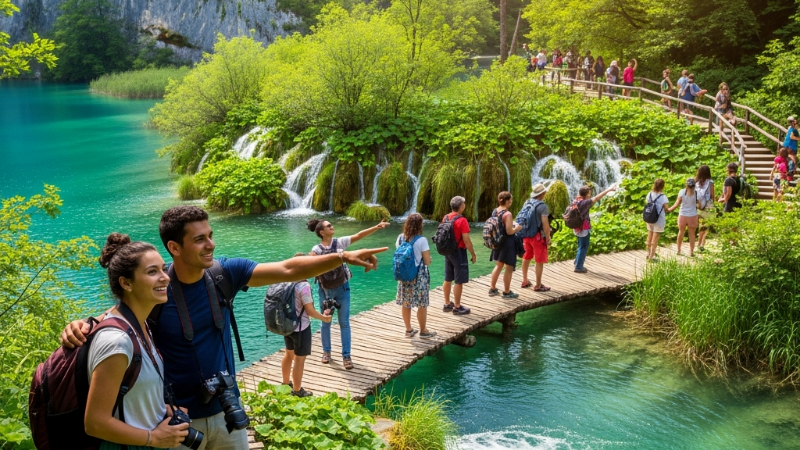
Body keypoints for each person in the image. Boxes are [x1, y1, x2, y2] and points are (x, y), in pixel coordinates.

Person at [63, 206, 387, 450]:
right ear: (174, 248)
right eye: (200, 239)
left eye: (211, 235)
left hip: (227, 414)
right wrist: (83, 326)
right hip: (175, 422)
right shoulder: (158, 290)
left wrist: (341, 256)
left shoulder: (223, 275)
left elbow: (288, 268)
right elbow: (121, 315)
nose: (211, 245)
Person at [85, 234, 190, 450]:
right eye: (152, 272)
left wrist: (160, 409)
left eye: (163, 268)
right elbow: (95, 422)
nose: (165, 277)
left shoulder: (139, 325)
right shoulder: (117, 340)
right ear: (126, 283)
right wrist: (154, 438)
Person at [307, 218, 390, 370]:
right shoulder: (316, 249)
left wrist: (377, 227)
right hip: (325, 290)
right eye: (329, 225)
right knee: (326, 321)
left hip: (343, 287)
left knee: (344, 323)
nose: (332, 227)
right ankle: (326, 352)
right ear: (321, 232)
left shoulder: (340, 242)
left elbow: (359, 235)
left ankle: (346, 356)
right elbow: (308, 262)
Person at [281, 253, 333, 398]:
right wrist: (324, 318)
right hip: (301, 327)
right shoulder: (303, 286)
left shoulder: (286, 281)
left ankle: (285, 383)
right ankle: (297, 390)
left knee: (288, 354)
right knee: (299, 359)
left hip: (287, 325)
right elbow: (309, 310)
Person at [395, 213, 436, 339]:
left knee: (406, 303)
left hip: (404, 275)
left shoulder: (401, 238)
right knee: (422, 304)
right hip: (419, 276)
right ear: (420, 225)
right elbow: (427, 261)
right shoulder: (422, 240)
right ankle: (423, 331)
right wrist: (429, 259)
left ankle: (408, 330)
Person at [441, 196, 476, 315]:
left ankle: (447, 304)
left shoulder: (446, 217)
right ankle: (457, 306)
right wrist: (473, 254)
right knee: (459, 280)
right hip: (459, 251)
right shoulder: (462, 220)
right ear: (461, 206)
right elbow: (466, 240)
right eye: (464, 204)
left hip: (448, 250)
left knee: (448, 278)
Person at [571, 184, 617, 273]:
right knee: (584, 246)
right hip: (583, 227)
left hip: (576, 227)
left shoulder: (576, 200)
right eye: (589, 193)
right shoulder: (585, 203)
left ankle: (577, 261)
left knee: (580, 244)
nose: (590, 195)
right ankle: (579, 267)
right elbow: (597, 198)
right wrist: (609, 190)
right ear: (586, 194)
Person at [488, 191, 523, 299]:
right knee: (509, 267)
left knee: (499, 265)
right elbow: (509, 231)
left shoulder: (495, 211)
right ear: (508, 201)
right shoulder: (507, 214)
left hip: (497, 241)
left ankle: (492, 288)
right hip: (507, 243)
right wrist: (517, 228)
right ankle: (507, 292)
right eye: (511, 200)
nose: (511, 201)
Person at [517, 183, 552, 291]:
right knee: (539, 260)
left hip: (526, 235)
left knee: (526, 256)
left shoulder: (527, 202)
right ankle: (538, 285)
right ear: (543, 194)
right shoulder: (542, 206)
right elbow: (545, 224)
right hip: (537, 236)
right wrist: (548, 236)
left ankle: (525, 280)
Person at [666, 178, 699, 256]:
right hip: (693, 216)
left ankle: (679, 250)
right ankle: (691, 252)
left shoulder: (682, 192)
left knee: (681, 232)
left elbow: (676, 204)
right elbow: (699, 204)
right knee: (692, 234)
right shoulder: (697, 193)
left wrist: (669, 209)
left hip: (682, 215)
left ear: (686, 184)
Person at [644, 179, 669, 261]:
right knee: (655, 240)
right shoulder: (663, 197)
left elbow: (647, 203)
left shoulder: (649, 194)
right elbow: (666, 209)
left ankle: (648, 253)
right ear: (662, 186)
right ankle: (652, 256)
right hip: (659, 220)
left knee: (649, 236)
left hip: (649, 218)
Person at [694, 165, 715, 252]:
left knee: (701, 225)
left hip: (699, 206)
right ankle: (702, 244)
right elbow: (712, 195)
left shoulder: (696, 183)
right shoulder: (710, 182)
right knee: (706, 226)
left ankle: (698, 243)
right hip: (708, 206)